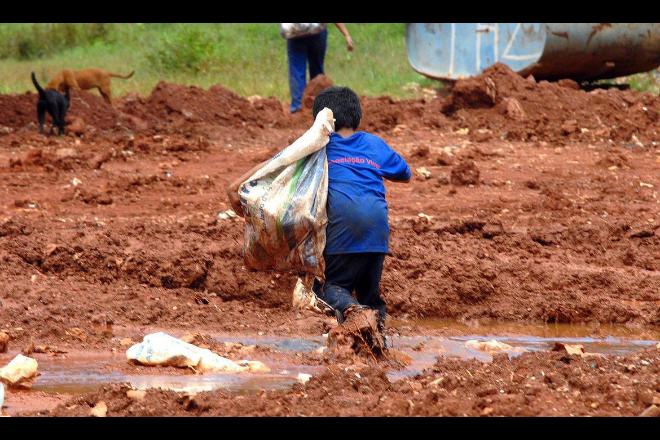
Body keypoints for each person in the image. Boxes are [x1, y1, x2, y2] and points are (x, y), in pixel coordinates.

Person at [226, 86, 411, 335]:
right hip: (377, 236)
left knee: (329, 289)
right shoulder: (373, 144)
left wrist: (238, 185)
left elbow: (280, 162)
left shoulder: (318, 147)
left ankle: (354, 314)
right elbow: (404, 173)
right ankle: (375, 341)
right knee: (370, 295)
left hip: (341, 232)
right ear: (357, 117)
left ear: (321, 122)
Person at [281, 23, 354, 113]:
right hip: (317, 32)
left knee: (297, 71)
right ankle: (319, 106)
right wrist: (346, 34)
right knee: (317, 72)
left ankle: (298, 107)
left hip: (295, 32)